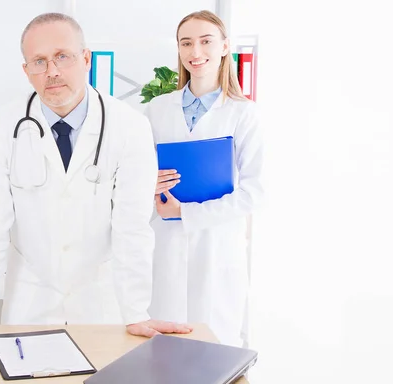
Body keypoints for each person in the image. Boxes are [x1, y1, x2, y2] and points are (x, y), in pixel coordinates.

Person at [0, 13, 192, 338]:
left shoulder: (130, 126)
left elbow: (132, 228)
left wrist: (135, 311)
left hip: (102, 301)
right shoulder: (1, 125)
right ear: (26, 71)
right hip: (29, 296)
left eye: (63, 56)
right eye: (39, 61)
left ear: (86, 59)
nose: (52, 71)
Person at [144, 10, 263, 346]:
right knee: (162, 354)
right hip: (164, 246)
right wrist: (146, 184)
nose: (195, 52)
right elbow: (132, 176)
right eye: (186, 43)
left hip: (217, 248)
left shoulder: (243, 113)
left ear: (225, 47)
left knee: (214, 352)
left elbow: (255, 191)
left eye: (206, 41)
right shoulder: (156, 109)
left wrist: (186, 213)